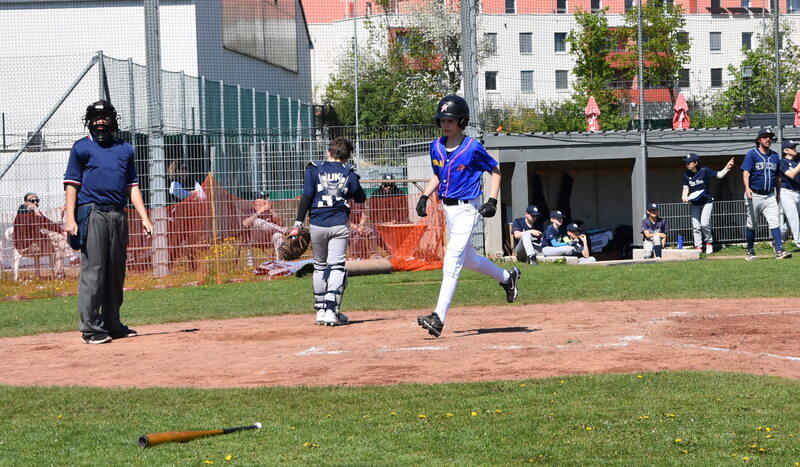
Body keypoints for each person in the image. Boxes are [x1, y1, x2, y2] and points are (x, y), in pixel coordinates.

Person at [415, 95, 520, 338]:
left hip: (468, 209)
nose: (445, 123)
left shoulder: (472, 147)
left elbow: (495, 170)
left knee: (452, 260)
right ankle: (507, 277)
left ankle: (438, 318)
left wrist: (492, 200)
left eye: (450, 119)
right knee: (470, 259)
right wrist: (425, 196)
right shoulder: (436, 146)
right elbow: (438, 174)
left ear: (461, 120)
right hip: (448, 209)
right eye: (441, 119)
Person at [63, 100, 153, 344]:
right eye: (96, 118)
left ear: (113, 121)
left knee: (115, 271)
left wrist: (144, 217)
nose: (100, 122)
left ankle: (112, 323)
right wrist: (70, 219)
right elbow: (71, 184)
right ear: (89, 121)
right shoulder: (81, 148)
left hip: (118, 214)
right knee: (95, 271)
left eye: (105, 118)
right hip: (92, 213)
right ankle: (91, 328)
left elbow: (132, 186)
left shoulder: (125, 149)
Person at [290, 136, 366, 326]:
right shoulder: (348, 171)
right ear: (347, 157)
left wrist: (298, 224)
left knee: (320, 266)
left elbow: (307, 196)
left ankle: (321, 310)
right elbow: (361, 197)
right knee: (337, 267)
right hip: (339, 224)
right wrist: (347, 189)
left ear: (329, 152)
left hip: (317, 223)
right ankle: (332, 309)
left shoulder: (314, 168)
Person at [741, 128, 792, 260]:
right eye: (765, 136)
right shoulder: (752, 154)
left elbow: (777, 177)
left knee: (775, 222)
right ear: (759, 140)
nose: (768, 139)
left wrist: (778, 193)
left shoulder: (775, 156)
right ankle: (750, 251)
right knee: (752, 223)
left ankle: (779, 250)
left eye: (770, 137)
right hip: (754, 194)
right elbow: (746, 172)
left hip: (769, 195)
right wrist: (747, 188)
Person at [681, 152, 734, 254]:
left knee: (704, 223)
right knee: (696, 226)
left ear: (695, 163)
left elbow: (719, 175)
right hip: (695, 203)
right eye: (686, 163)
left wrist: (727, 167)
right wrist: (684, 196)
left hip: (707, 202)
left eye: (689, 162)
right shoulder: (686, 174)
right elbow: (685, 188)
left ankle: (709, 242)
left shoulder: (705, 171)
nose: (687, 164)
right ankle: (698, 247)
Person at [12, 192, 71, 277]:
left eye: (37, 200)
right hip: (27, 246)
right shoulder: (22, 212)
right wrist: (36, 213)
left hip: (37, 242)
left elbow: (47, 223)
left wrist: (62, 231)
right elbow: (29, 226)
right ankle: (62, 270)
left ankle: (64, 266)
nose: (35, 203)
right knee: (57, 246)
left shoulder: (35, 212)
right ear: (25, 202)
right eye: (32, 201)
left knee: (59, 237)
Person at [242, 193, 286, 263]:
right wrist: (259, 212)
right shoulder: (250, 211)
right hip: (255, 239)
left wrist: (272, 211)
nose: (264, 202)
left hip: (268, 239)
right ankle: (285, 231)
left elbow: (281, 224)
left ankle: (280, 263)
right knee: (257, 221)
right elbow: (245, 224)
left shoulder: (269, 212)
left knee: (278, 235)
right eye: (262, 199)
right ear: (255, 203)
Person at [778, 140, 800, 250]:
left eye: (795, 146)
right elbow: (791, 174)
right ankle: (799, 243)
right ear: (785, 150)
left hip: (797, 193)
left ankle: (778, 241)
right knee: (794, 219)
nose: (795, 148)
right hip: (786, 193)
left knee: (791, 221)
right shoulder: (782, 162)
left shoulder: (797, 162)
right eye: (792, 147)